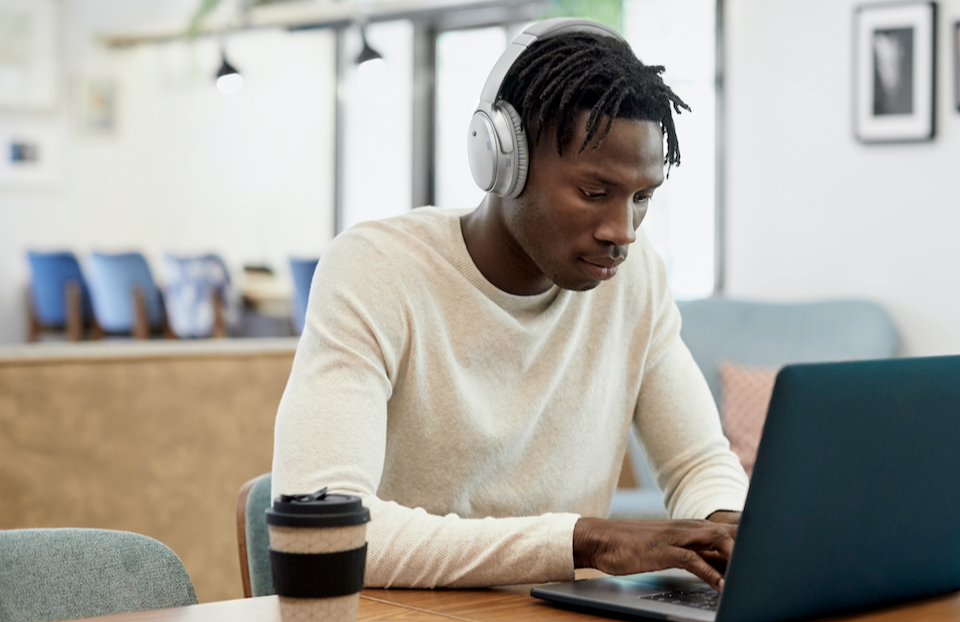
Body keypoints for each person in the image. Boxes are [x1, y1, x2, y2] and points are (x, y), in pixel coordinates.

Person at [273, 21, 747, 592]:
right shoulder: (376, 270)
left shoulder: (634, 275)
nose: (622, 231)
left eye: (642, 197)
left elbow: (697, 463)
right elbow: (327, 530)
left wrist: (728, 531)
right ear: (503, 162)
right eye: (594, 193)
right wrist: (583, 541)